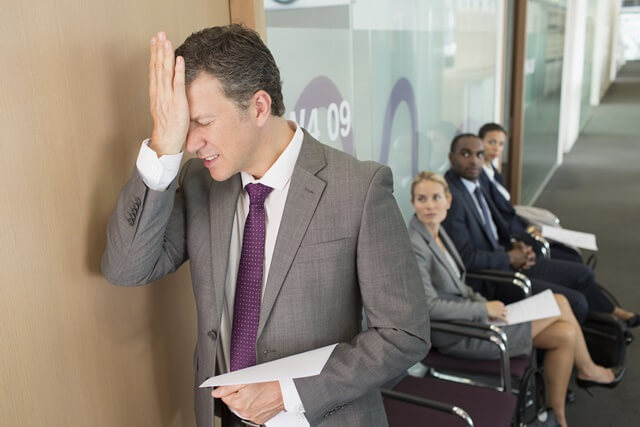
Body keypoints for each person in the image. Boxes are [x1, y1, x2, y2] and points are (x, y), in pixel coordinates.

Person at [102, 25, 429, 427]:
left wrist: (287, 393)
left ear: (259, 107)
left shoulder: (359, 188)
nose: (191, 143)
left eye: (203, 121)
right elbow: (126, 268)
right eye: (186, 124)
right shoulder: (199, 182)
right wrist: (162, 149)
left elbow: (403, 334)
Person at [408, 171, 624, 427]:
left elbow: (460, 284)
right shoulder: (415, 245)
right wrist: (483, 309)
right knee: (561, 304)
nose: (429, 205)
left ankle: (557, 417)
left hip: (476, 316)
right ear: (413, 203)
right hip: (458, 333)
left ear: (448, 200)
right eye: (422, 199)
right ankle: (588, 370)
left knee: (565, 334)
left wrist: (483, 304)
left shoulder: (438, 231)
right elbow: (429, 307)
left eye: (436, 197)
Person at [441, 133, 635, 324]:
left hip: (508, 258)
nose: (474, 160)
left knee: (584, 273)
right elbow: (466, 258)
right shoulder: (452, 198)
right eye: (465, 154)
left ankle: (609, 317)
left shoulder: (476, 181)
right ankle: (592, 329)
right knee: (576, 302)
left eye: (479, 154)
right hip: (495, 276)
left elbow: (497, 225)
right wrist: (509, 257)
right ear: (451, 157)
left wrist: (517, 245)